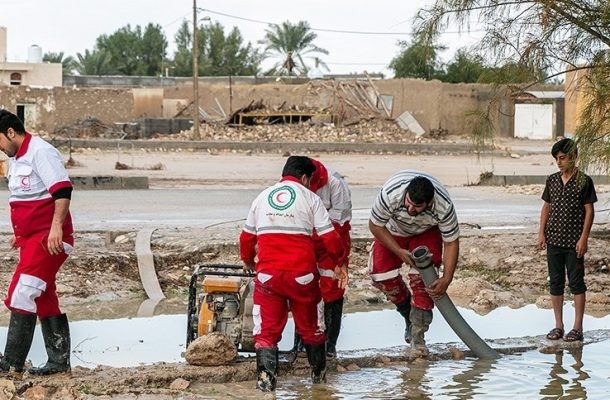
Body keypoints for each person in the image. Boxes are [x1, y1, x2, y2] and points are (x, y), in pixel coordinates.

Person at [239, 156, 346, 392]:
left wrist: (247, 261)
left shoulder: (262, 196)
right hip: (303, 278)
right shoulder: (311, 198)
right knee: (312, 330)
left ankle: (266, 387)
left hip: (268, 278)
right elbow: (330, 238)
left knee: (266, 333)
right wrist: (338, 263)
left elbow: (247, 238)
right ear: (306, 178)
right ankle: (319, 384)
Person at [0, 110, 74, 376]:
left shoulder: (41, 152)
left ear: (10, 132)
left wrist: (56, 228)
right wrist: (19, 233)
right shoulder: (16, 159)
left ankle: (11, 363)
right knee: (43, 297)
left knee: (23, 292)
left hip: (49, 239)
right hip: (31, 239)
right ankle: (58, 363)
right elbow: (25, 197)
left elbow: (62, 190)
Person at [368, 170, 459, 353]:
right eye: (408, 203)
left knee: (425, 283)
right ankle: (407, 313)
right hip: (393, 232)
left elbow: (451, 243)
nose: (411, 210)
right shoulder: (390, 194)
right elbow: (375, 225)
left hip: (426, 232)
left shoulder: (443, 205)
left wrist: (447, 278)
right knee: (381, 275)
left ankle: (418, 339)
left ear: (429, 203)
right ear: (406, 194)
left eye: (417, 207)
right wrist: (399, 251)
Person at [538, 138, 596, 342]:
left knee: (577, 283)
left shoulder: (584, 181)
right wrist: (542, 233)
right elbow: (546, 207)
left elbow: (589, 211)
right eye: (557, 159)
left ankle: (577, 328)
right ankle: (558, 326)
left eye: (562, 158)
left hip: (574, 242)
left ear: (573, 157)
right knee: (555, 282)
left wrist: (584, 238)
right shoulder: (552, 180)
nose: (559, 162)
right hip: (554, 239)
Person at [308, 159, 351, 358]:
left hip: (332, 239)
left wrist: (340, 260)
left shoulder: (336, 183)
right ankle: (304, 343)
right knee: (304, 285)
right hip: (305, 238)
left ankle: (330, 345)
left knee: (332, 288)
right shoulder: (291, 183)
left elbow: (340, 225)